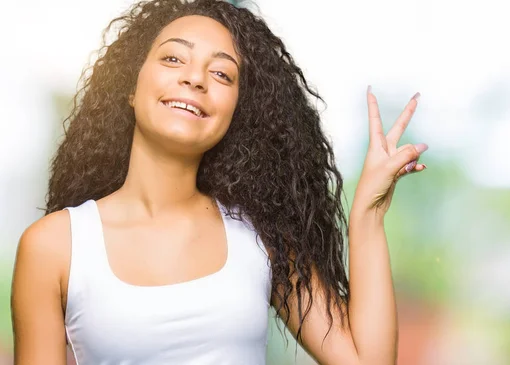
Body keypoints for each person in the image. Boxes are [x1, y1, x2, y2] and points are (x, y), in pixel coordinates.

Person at [10, 0, 428, 364]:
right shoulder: (53, 246)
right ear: (130, 87)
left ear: (235, 114)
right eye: (174, 59)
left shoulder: (260, 237)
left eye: (223, 74)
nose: (195, 79)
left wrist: (368, 212)